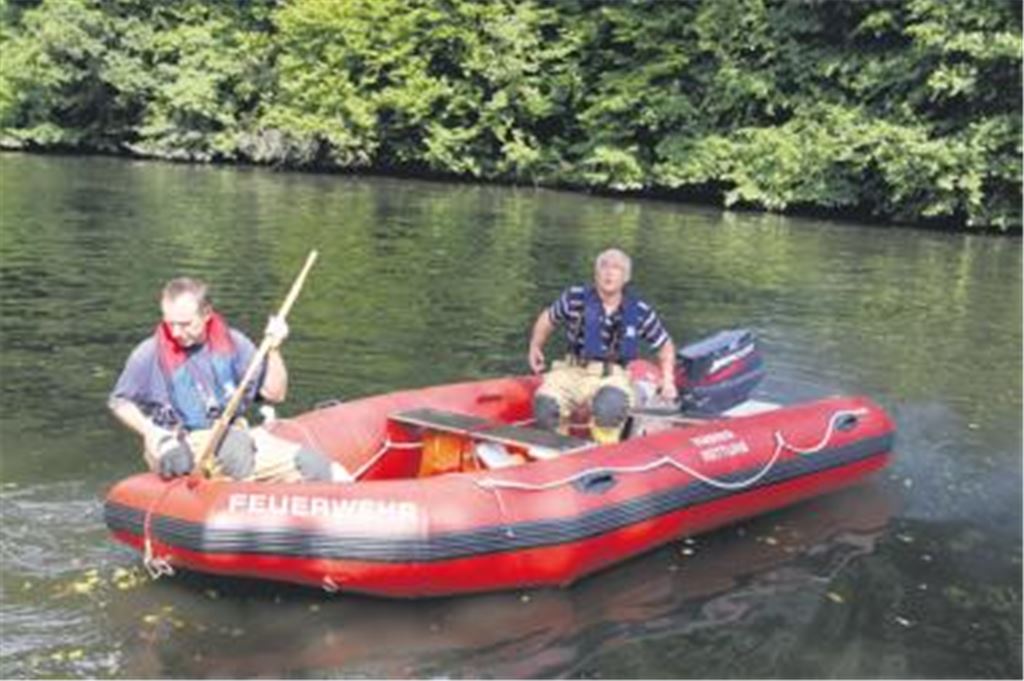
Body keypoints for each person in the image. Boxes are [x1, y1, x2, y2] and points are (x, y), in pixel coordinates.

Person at [109, 277, 345, 482]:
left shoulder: (234, 344)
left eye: (185, 324)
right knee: (234, 446)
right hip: (178, 443)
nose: (176, 333)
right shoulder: (149, 353)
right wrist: (152, 433)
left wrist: (274, 349)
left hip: (232, 436)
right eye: (170, 324)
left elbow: (276, 394)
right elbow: (119, 402)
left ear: (206, 314)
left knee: (316, 465)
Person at [527, 248, 678, 444]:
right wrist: (535, 346)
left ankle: (604, 448)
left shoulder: (639, 311)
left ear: (626, 277)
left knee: (610, 406)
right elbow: (548, 318)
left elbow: (665, 345)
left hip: (611, 375)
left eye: (616, 268)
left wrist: (668, 380)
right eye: (604, 266)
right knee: (545, 406)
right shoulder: (575, 298)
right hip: (571, 370)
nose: (609, 272)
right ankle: (558, 447)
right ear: (596, 273)